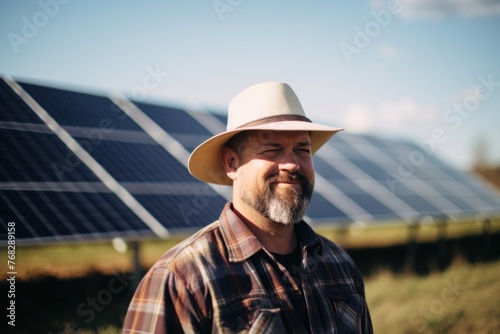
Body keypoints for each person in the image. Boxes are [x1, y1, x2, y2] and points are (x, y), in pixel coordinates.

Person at [123, 82, 373, 333]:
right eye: (272, 149)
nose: (292, 164)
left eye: (302, 150)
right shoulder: (182, 278)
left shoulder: (340, 265)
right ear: (232, 163)